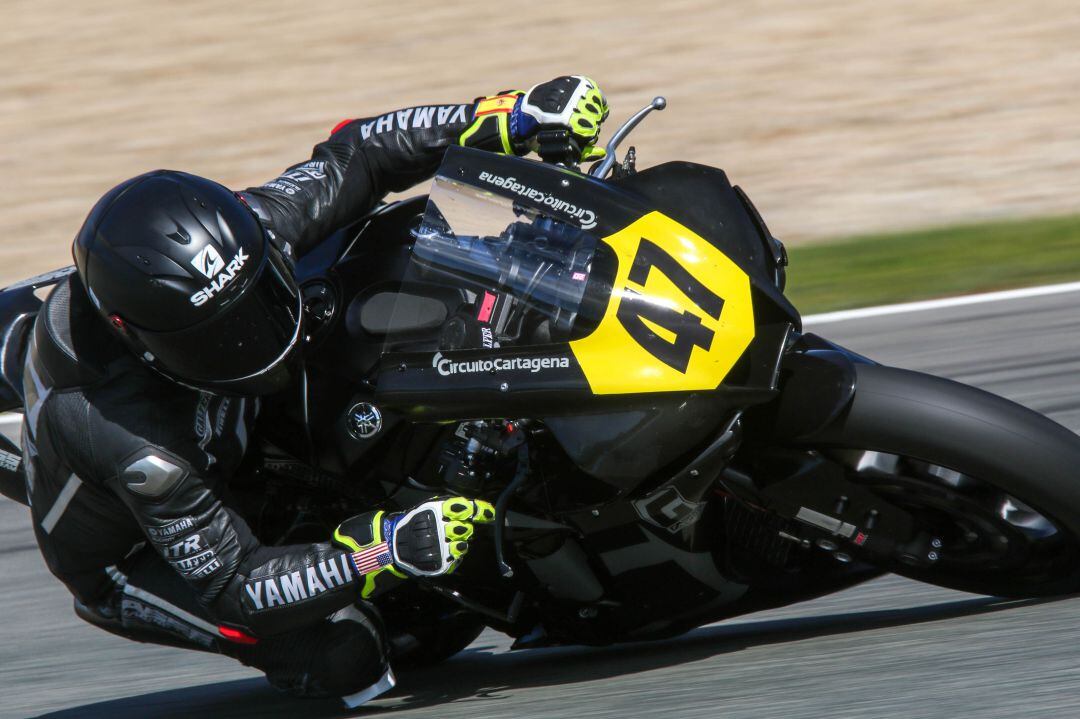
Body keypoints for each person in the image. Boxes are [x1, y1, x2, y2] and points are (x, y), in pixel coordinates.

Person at [20, 76, 609, 706]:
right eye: (221, 337)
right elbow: (238, 586)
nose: (256, 338)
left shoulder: (247, 231)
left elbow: (360, 153)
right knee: (346, 656)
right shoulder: (136, 445)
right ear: (139, 341)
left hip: (235, 434)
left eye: (258, 302)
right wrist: (380, 551)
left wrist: (509, 117)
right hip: (143, 553)